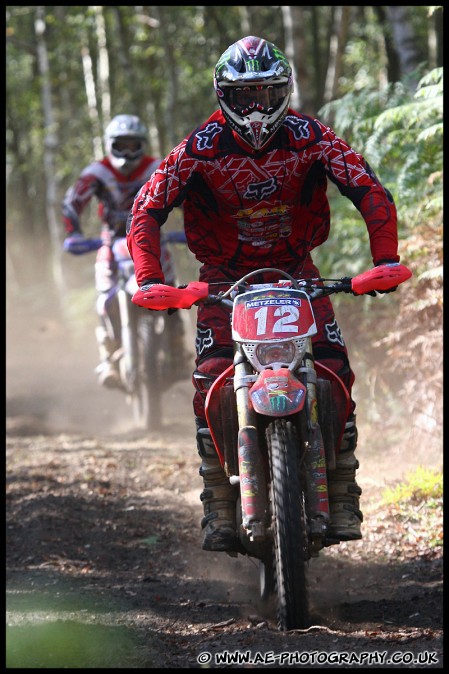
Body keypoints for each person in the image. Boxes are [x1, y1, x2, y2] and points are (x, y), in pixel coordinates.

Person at [126, 36, 400, 551]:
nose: (257, 109)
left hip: (297, 273)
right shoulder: (200, 147)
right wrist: (149, 278)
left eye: (268, 95)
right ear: (223, 94)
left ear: (285, 91)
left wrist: (384, 260)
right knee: (209, 379)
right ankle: (218, 504)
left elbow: (367, 187)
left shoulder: (310, 137)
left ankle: (341, 490)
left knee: (333, 367)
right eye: (245, 96)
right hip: (224, 280)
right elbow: (146, 208)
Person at [62, 114, 186, 388]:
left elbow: (190, 196)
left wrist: (198, 228)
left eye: (134, 145)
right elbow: (72, 201)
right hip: (111, 241)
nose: (128, 152)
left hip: (153, 239)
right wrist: (74, 233)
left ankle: (178, 351)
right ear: (110, 145)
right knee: (104, 297)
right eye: (122, 145)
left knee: (174, 295)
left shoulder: (159, 167)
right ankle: (108, 357)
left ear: (143, 144)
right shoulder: (97, 172)